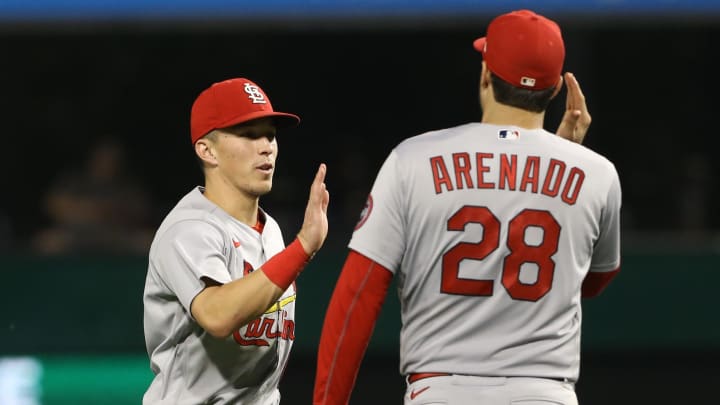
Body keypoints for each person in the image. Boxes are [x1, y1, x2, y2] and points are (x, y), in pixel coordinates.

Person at [313, 9, 620, 405]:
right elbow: (592, 282)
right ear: (558, 88)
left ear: (486, 73)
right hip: (545, 392)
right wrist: (565, 156)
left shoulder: (414, 159)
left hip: (441, 390)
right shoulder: (596, 173)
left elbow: (358, 297)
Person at [142, 77, 329, 404]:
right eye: (248, 134)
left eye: (270, 134)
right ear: (207, 150)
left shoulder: (269, 229)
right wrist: (302, 248)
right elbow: (218, 315)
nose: (266, 145)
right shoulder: (189, 228)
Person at [30, 136, 155, 256]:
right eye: (104, 156)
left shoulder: (127, 185)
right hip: (77, 236)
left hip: (116, 237)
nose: (108, 161)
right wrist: (92, 210)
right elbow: (53, 205)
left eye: (113, 158)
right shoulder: (75, 181)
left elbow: (139, 210)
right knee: (47, 241)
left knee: (149, 241)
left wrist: (109, 212)